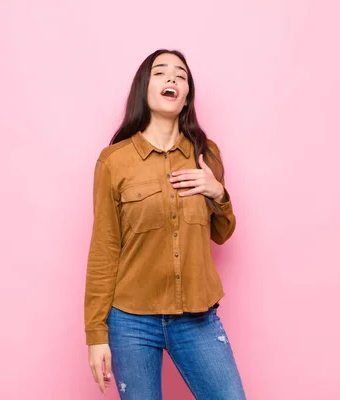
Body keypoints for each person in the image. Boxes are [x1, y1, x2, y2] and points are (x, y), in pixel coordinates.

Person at [84, 49, 246, 399]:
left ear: (187, 95)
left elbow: (222, 233)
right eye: (160, 72)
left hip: (197, 317)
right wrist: (96, 335)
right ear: (144, 87)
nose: (172, 78)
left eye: (181, 75)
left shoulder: (206, 155)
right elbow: (104, 249)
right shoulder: (114, 161)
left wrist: (218, 193)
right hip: (131, 321)